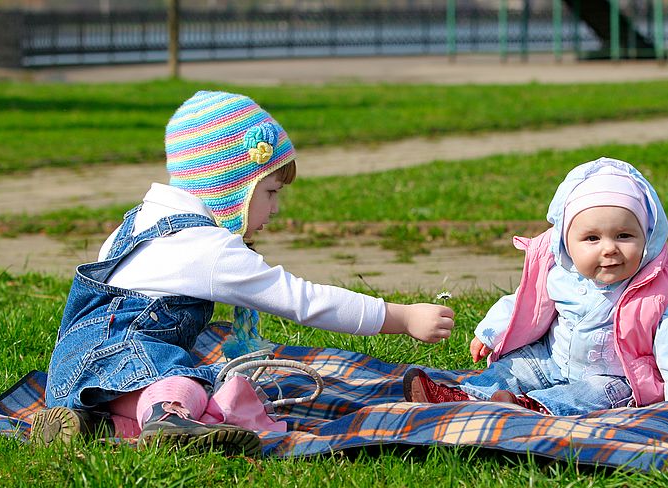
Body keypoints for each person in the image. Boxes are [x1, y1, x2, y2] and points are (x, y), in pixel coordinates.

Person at [32, 90, 454, 455]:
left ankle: (92, 424)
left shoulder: (139, 221)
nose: (275, 209)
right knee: (190, 384)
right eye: (269, 192)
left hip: (73, 375)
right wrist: (402, 317)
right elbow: (303, 300)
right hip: (133, 362)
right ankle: (169, 419)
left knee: (153, 387)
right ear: (230, 188)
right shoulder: (207, 248)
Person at [403, 156, 668, 416]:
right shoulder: (562, 271)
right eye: (592, 238)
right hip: (551, 361)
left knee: (594, 394)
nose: (609, 249)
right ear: (566, 242)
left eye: (624, 236)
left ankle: (530, 408)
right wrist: (491, 331)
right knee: (512, 368)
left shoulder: (660, 286)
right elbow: (526, 302)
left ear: (647, 236)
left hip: (616, 376)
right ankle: (464, 397)